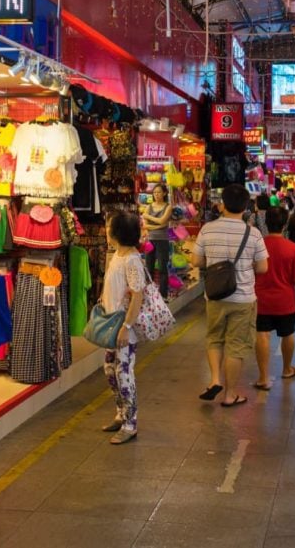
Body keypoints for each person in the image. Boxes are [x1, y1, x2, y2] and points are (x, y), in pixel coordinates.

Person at [192, 184, 269, 407]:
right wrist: (244, 266)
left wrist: (216, 263)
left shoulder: (207, 229)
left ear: (222, 205)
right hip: (243, 298)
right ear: (246, 207)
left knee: (214, 338)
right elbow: (263, 267)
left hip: (215, 296)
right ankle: (230, 394)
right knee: (236, 346)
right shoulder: (253, 233)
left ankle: (215, 379)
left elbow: (196, 261)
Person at [100, 211, 146, 445]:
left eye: (109, 228)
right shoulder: (117, 254)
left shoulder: (132, 260)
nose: (106, 232)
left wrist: (127, 326)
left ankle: (131, 423)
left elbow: (137, 296)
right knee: (110, 369)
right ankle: (121, 414)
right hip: (113, 324)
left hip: (124, 327)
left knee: (124, 373)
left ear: (117, 232)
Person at [252, 207, 295, 389]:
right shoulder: (292, 248)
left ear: (266, 223)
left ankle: (263, 378)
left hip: (261, 299)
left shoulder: (258, 245)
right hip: (285, 301)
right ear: (285, 225)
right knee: (288, 334)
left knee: (262, 335)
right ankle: (286, 369)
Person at [142, 184, 171, 298]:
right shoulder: (149, 206)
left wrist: (149, 218)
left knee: (162, 267)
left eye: (159, 192)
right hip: (150, 240)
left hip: (162, 240)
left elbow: (162, 221)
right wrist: (160, 224)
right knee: (149, 267)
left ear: (164, 193)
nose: (157, 195)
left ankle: (163, 295)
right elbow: (146, 225)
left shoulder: (168, 206)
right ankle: (149, 294)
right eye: (155, 193)